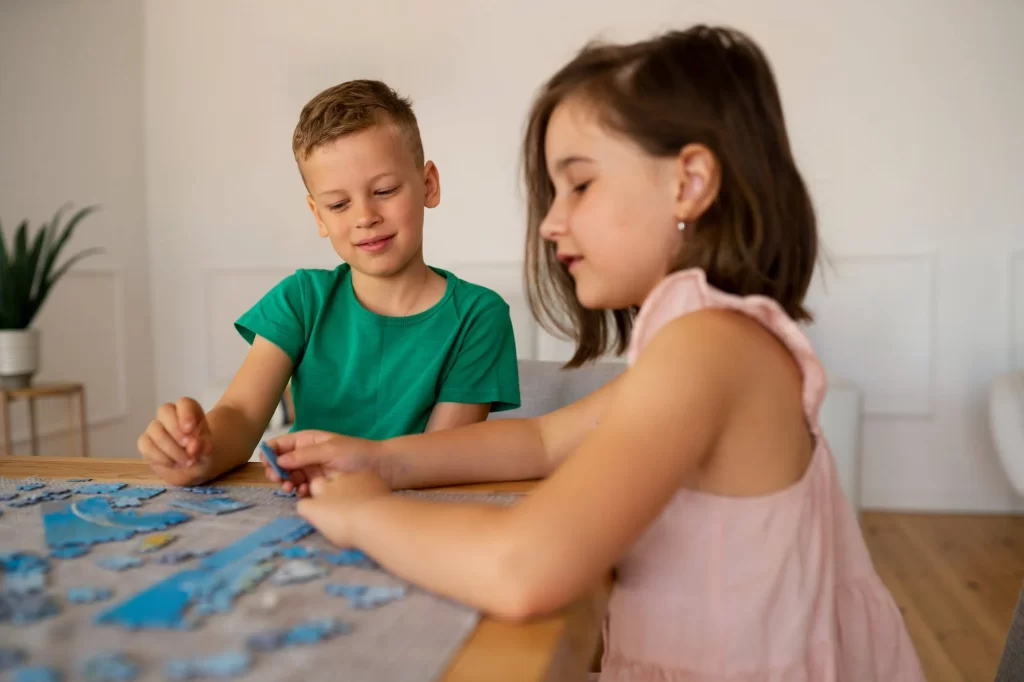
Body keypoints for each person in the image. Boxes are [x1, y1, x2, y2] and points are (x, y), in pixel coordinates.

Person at [265, 27, 925, 680]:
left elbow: (524, 569)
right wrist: (377, 458)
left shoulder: (709, 349)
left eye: (578, 186)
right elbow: (545, 442)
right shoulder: (702, 339)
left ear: (689, 181)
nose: (552, 221)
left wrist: (367, 515)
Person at [138, 79, 521, 489]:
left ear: (428, 184)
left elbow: (438, 460)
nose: (365, 216)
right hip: (304, 514)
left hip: (413, 522)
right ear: (318, 215)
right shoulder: (301, 299)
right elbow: (242, 416)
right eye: (339, 204)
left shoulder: (480, 316)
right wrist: (197, 450)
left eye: (385, 190)